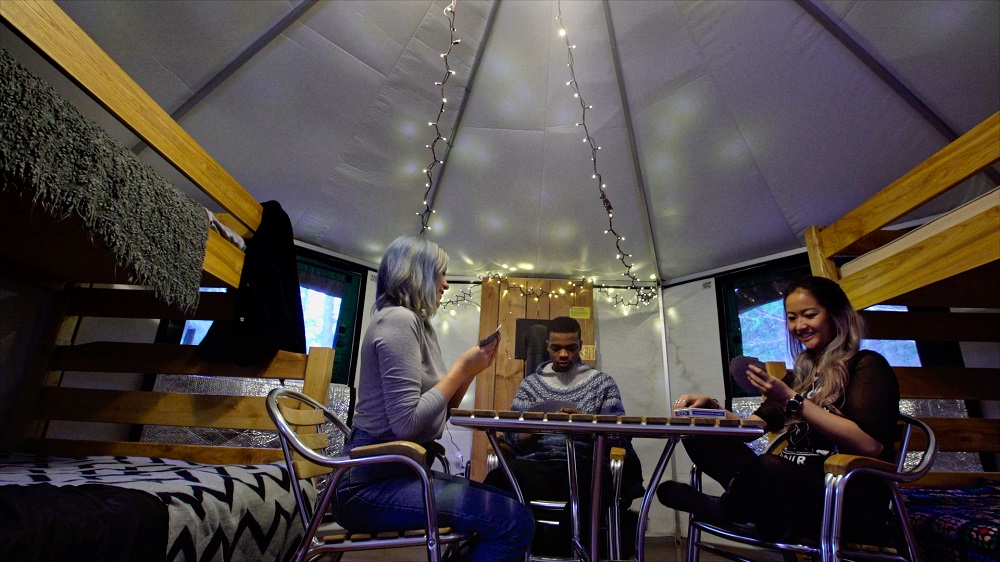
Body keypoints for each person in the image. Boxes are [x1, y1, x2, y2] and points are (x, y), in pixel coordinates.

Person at [332, 234, 534, 562]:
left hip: (401, 472)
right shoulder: (398, 320)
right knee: (513, 521)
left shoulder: (421, 326)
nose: (445, 284)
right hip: (367, 486)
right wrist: (460, 368)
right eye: (441, 273)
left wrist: (472, 371)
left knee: (510, 507)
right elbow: (407, 424)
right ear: (418, 273)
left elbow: (434, 422)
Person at [658, 275, 900, 543]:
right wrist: (710, 409)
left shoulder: (867, 366)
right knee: (697, 432)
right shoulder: (802, 374)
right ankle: (761, 512)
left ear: (836, 315)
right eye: (792, 318)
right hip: (788, 491)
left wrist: (792, 400)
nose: (800, 325)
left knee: (771, 467)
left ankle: (726, 509)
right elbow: (751, 428)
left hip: (843, 497)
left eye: (809, 315)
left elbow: (870, 446)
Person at [483, 316, 644, 558]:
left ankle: (563, 550)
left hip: (583, 464)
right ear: (547, 345)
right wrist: (536, 430)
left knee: (601, 482)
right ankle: (519, 548)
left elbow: (618, 437)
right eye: (556, 348)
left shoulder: (602, 384)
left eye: (571, 347)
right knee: (497, 480)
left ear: (581, 344)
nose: (563, 354)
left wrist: (585, 426)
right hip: (537, 463)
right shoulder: (531, 385)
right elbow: (511, 435)